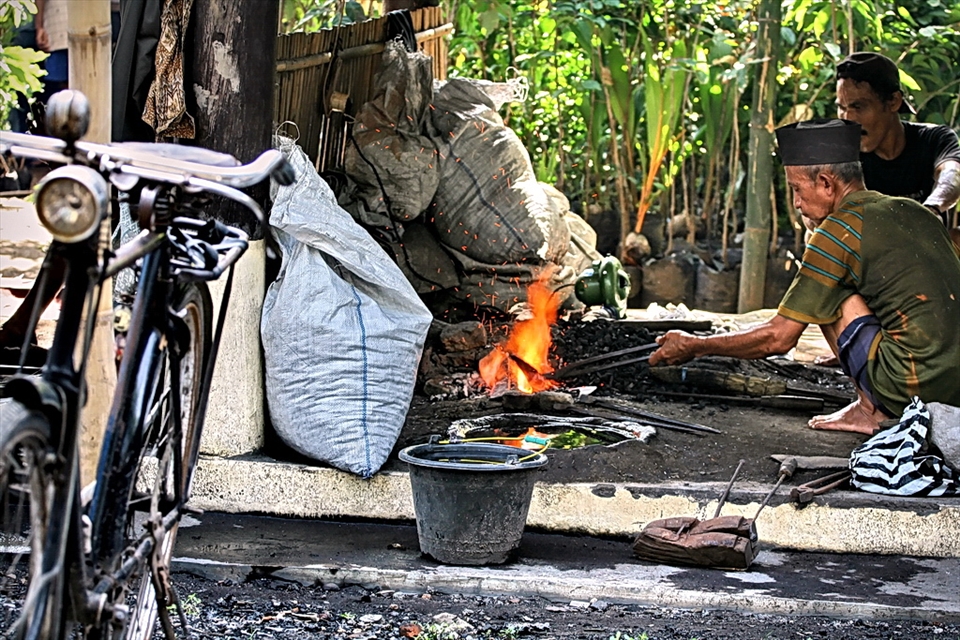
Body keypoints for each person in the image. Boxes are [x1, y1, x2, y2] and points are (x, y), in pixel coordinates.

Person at [649, 119, 960, 435]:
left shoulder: (838, 231)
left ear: (827, 183)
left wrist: (694, 345)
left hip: (911, 389)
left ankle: (870, 410)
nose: (796, 203)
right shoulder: (914, 210)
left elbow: (779, 337)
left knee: (831, 294)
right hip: (956, 390)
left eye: (797, 189)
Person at [835, 52, 960, 242]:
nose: (848, 119)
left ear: (893, 101)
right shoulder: (842, 155)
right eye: (842, 108)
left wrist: (930, 209)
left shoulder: (933, 139)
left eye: (858, 107)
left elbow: (953, 175)